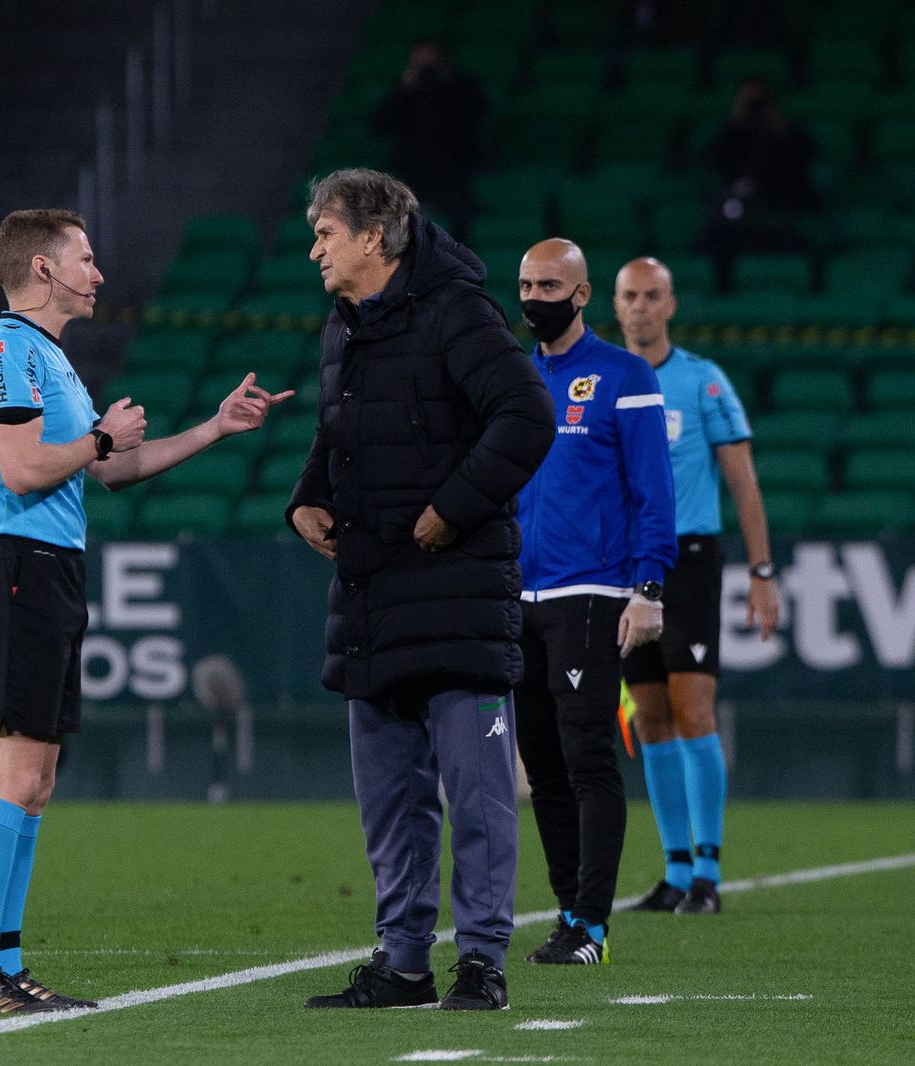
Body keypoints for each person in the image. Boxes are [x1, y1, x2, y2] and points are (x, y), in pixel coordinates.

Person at [0, 208, 292, 1014]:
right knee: (14, 769)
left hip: (51, 568)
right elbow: (26, 467)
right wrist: (100, 441)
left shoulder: (52, 359)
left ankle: (5, 961)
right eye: (86, 258)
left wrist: (214, 427)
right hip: (15, 567)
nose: (99, 273)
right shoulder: (7, 349)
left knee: (37, 778)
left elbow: (109, 472)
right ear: (43, 270)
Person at [288, 169, 554, 1012]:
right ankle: (404, 963)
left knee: (476, 801)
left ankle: (481, 963)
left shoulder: (456, 312)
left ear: (375, 237)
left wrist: (451, 507)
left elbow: (527, 416)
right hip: (371, 598)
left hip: (456, 593)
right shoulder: (345, 328)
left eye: (325, 233)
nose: (314, 249)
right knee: (392, 807)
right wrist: (306, 498)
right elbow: (338, 433)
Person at [512, 239, 677, 965]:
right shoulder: (514, 379)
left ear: (581, 296)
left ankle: (592, 924)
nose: (533, 297)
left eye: (548, 284)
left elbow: (653, 492)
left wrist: (647, 590)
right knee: (541, 763)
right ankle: (568, 912)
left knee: (587, 758)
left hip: (592, 591)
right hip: (518, 594)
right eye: (523, 284)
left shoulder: (624, 375)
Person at [613, 256, 780, 915]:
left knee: (693, 709)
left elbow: (742, 480)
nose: (642, 308)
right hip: (627, 565)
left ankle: (708, 873)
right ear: (615, 304)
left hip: (689, 559)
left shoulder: (702, 382)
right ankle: (676, 870)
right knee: (649, 716)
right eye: (631, 297)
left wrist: (762, 572)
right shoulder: (605, 383)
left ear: (671, 305)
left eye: (653, 296)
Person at [699, 78, 820, 285]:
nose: (756, 110)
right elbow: (711, 160)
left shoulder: (790, 133)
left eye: (760, 103)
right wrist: (736, 120)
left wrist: (779, 124)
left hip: (783, 210)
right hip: (738, 215)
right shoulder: (732, 134)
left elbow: (809, 157)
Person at [371, 40, 487, 234]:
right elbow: (380, 125)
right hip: (413, 168)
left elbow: (477, 111)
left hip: (455, 166)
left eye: (432, 63)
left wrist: (449, 80)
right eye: (420, 64)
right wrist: (405, 88)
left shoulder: (460, 86)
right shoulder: (405, 91)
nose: (426, 70)